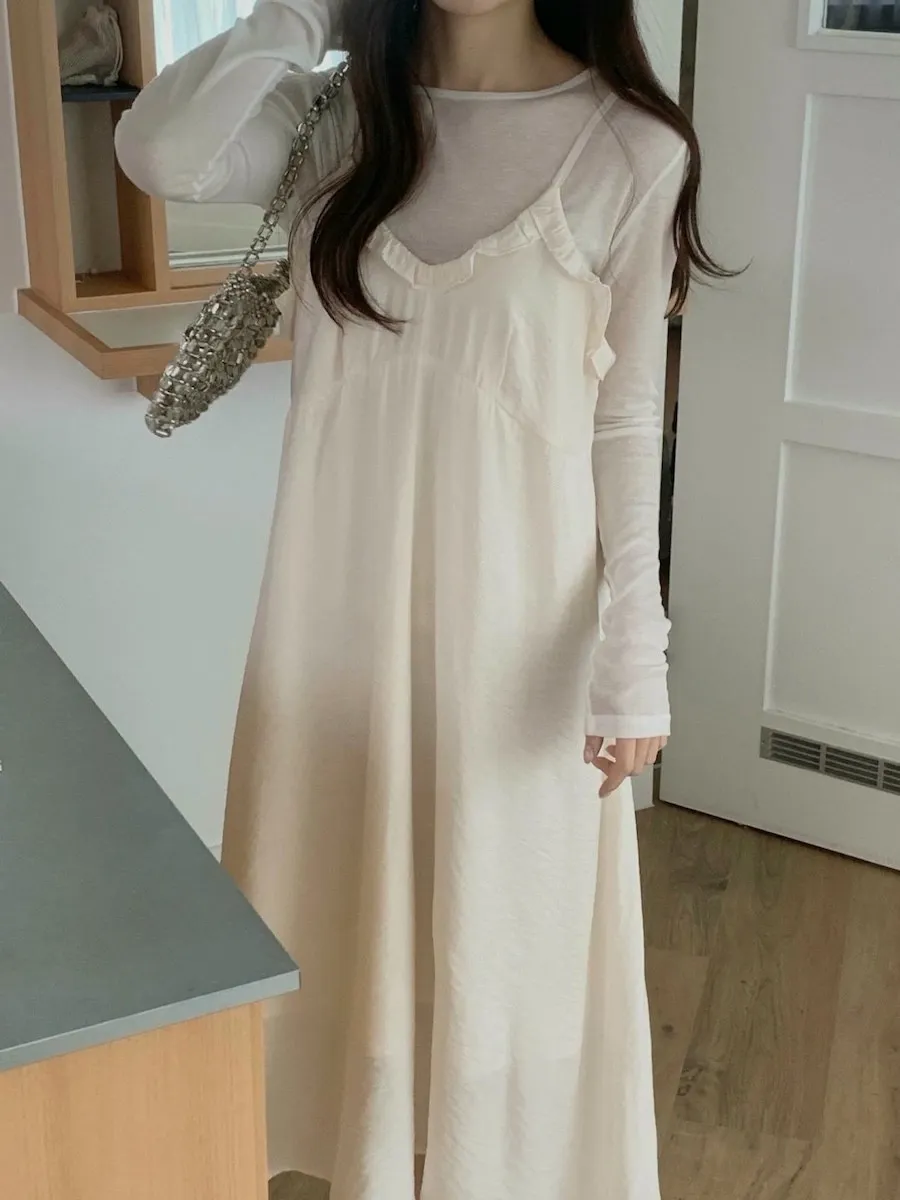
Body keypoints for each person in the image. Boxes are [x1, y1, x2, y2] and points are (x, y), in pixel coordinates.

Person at [116, 2, 725, 1197]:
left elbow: (625, 419)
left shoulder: (630, 148)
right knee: (343, 917)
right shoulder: (335, 121)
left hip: (515, 644)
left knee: (498, 943)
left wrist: (635, 650)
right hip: (333, 627)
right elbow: (159, 153)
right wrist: (304, 14)